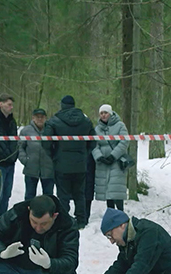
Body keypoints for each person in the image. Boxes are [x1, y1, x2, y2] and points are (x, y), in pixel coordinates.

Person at [42, 95, 96, 229]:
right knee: (79, 194)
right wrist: (84, 154)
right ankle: (81, 220)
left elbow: (46, 142)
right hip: (80, 164)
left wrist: (54, 155)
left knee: (63, 195)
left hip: (61, 164)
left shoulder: (54, 121)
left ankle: (64, 221)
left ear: (62, 105)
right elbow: (93, 141)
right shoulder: (86, 121)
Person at [92, 104, 129, 211]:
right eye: (101, 113)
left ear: (110, 113)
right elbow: (94, 144)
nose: (103, 115)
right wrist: (99, 156)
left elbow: (124, 142)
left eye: (105, 113)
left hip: (116, 162)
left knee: (117, 190)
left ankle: (120, 214)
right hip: (103, 163)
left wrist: (113, 156)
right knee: (107, 192)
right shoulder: (97, 129)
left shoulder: (120, 125)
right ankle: (111, 214)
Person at [18, 108, 55, 200]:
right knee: (29, 196)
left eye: (42, 117)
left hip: (48, 169)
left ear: (45, 118)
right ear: (33, 118)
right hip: (31, 169)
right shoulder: (26, 131)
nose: (40, 119)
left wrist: (54, 161)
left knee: (49, 197)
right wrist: (25, 160)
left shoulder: (51, 130)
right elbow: (19, 147)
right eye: (37, 117)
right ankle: (28, 210)